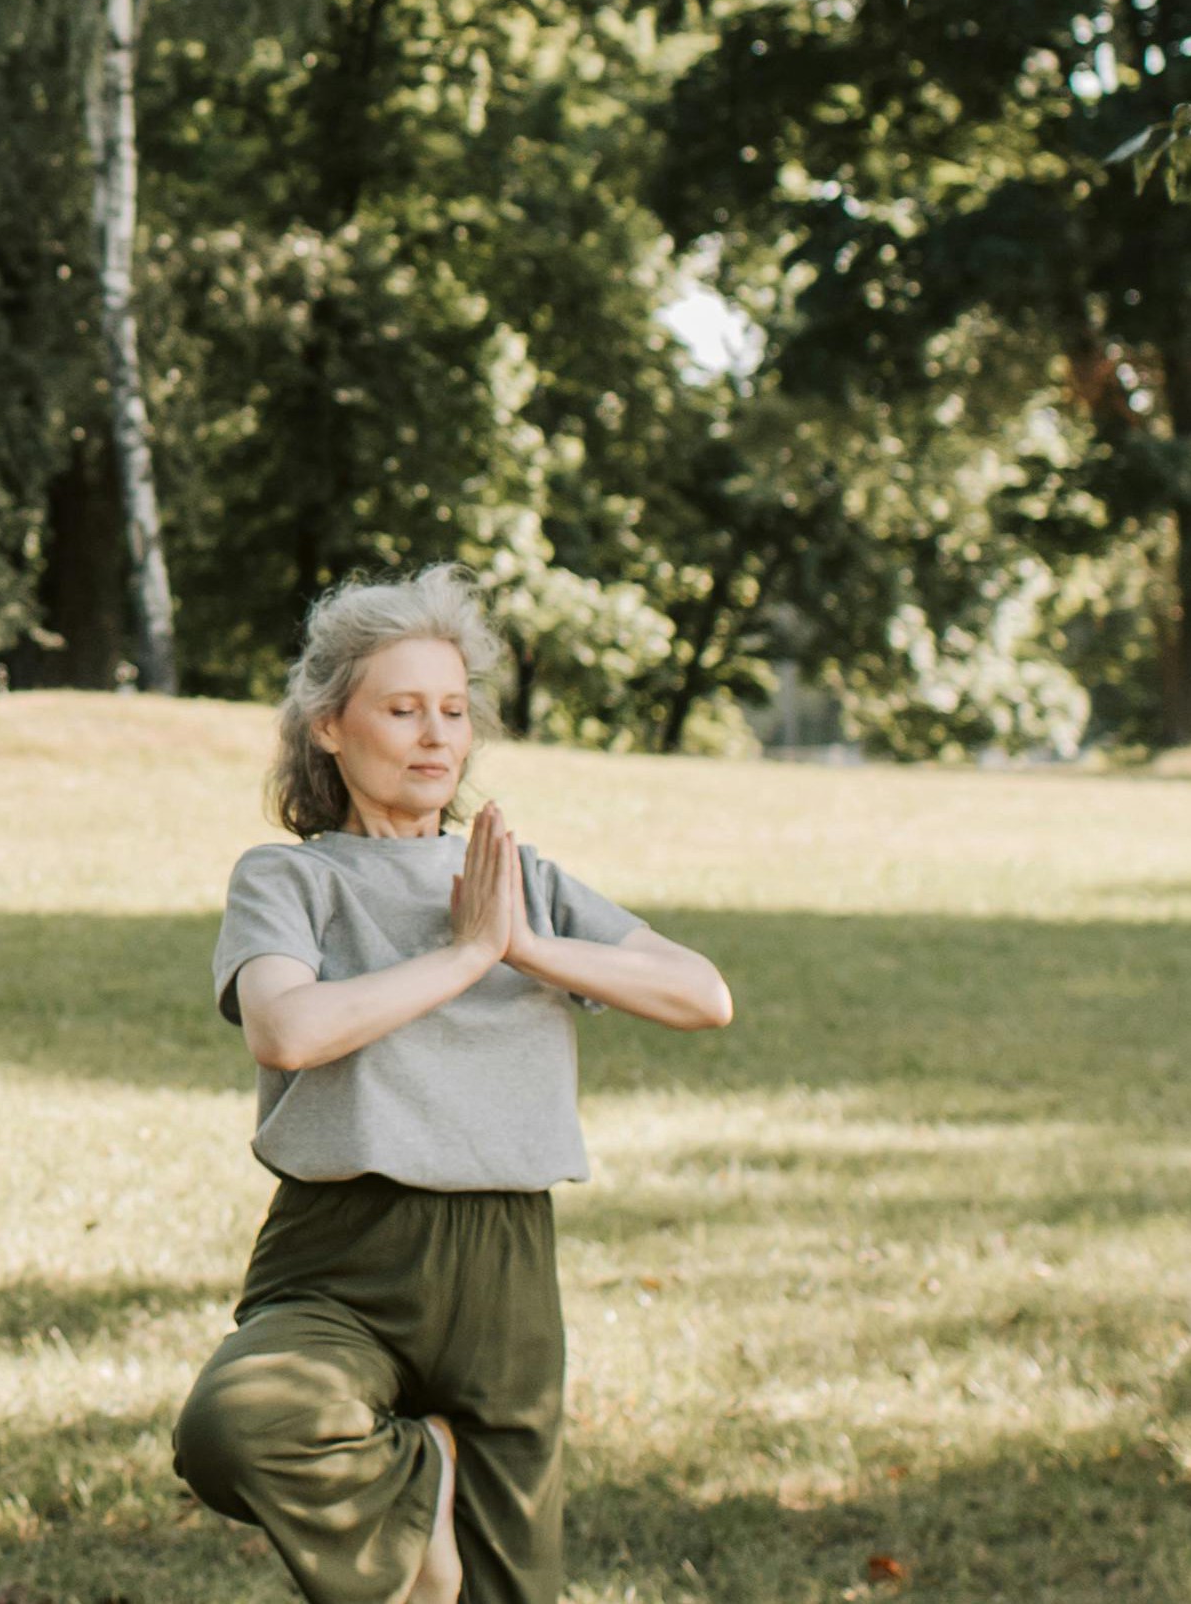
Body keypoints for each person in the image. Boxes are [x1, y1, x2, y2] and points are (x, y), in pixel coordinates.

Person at [173, 567, 732, 1604]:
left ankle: (428, 1493)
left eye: (450, 708)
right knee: (237, 1425)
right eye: (400, 708)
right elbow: (285, 1029)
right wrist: (468, 957)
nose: (434, 733)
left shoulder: (519, 880)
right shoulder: (290, 879)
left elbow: (701, 993)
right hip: (341, 1252)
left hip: (504, 1265)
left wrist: (524, 940)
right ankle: (416, 1477)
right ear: (330, 726)